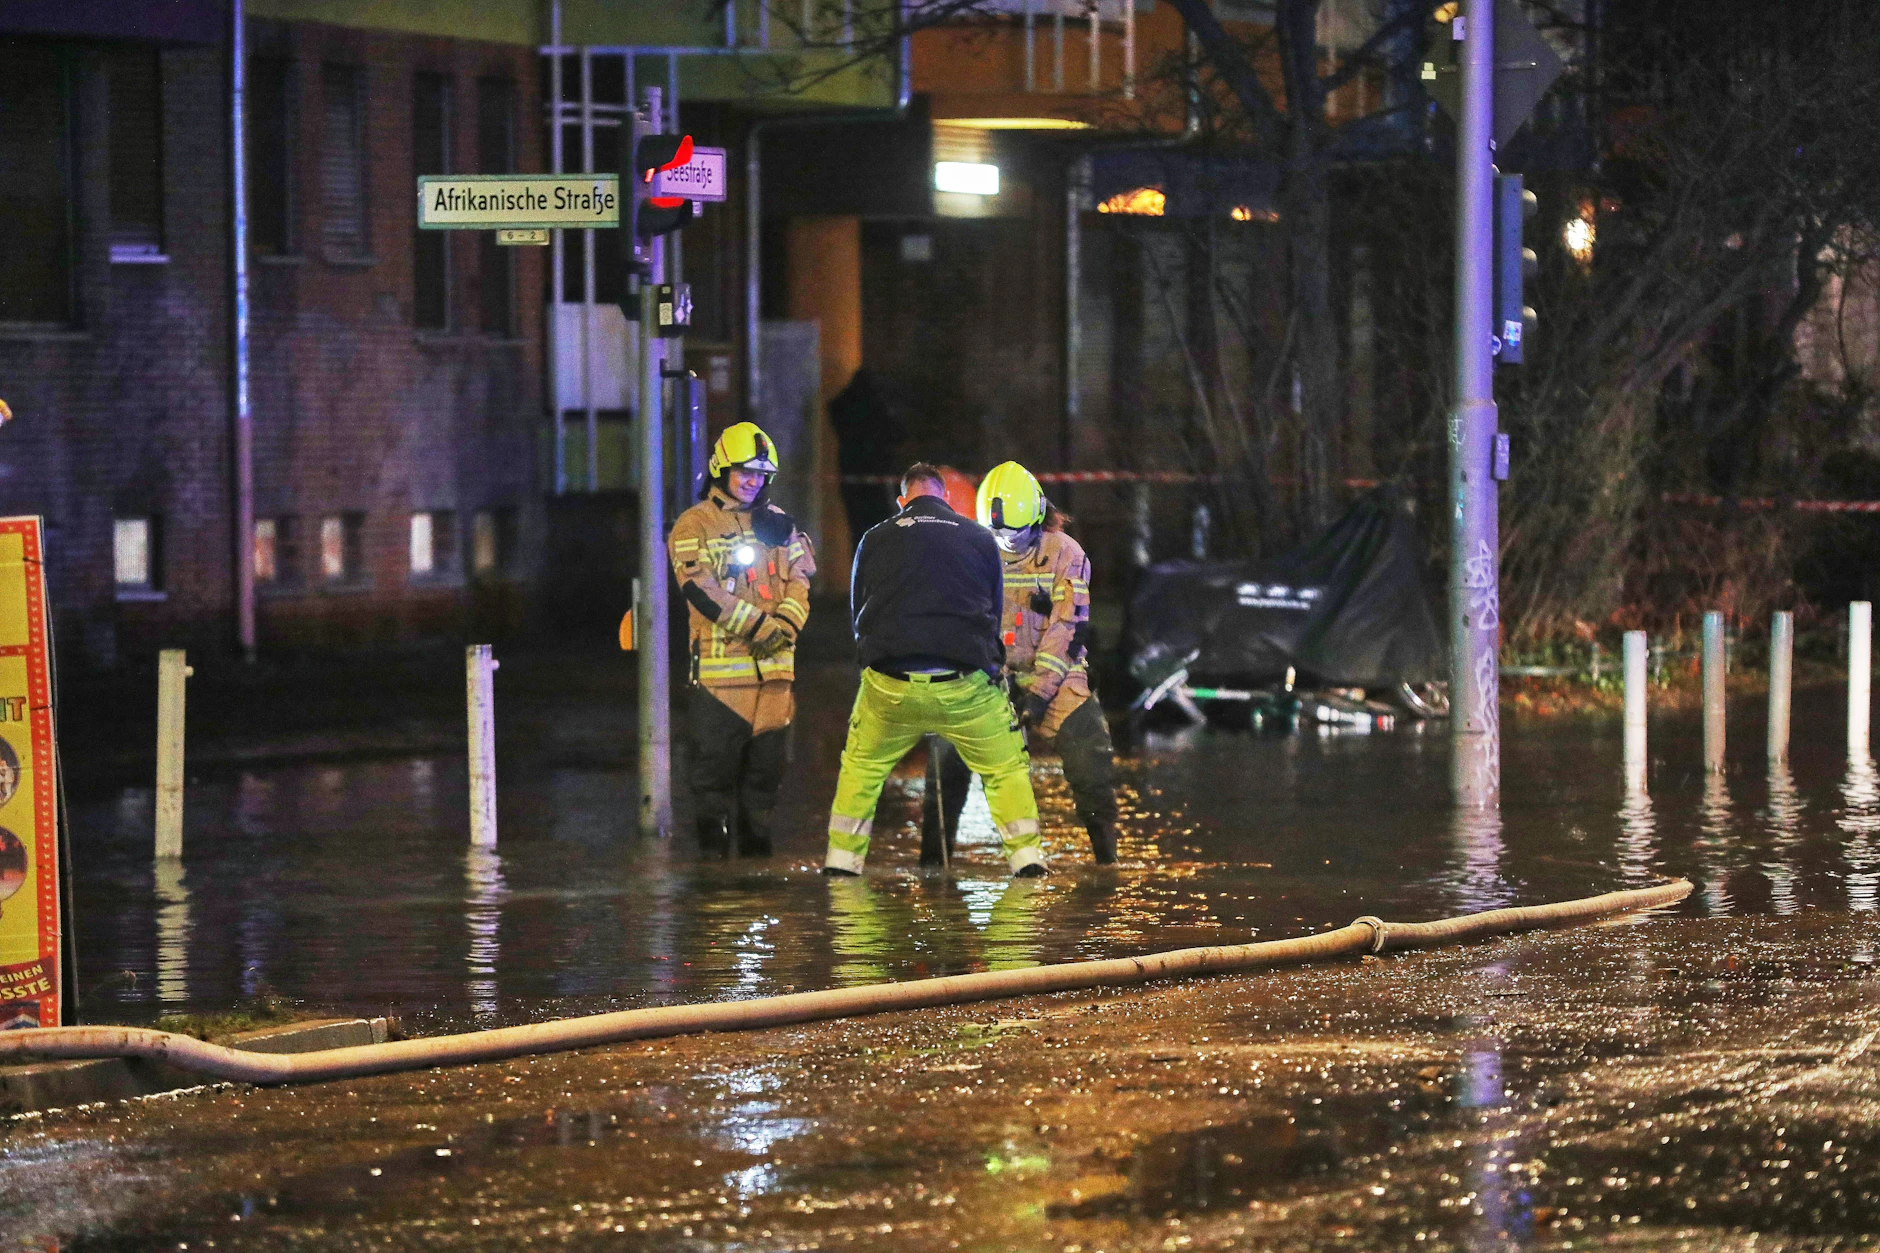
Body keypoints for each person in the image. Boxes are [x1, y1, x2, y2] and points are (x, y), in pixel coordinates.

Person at [823, 462, 1046, 878]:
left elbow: (859, 613)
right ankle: (1026, 859)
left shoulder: (874, 538)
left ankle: (842, 863)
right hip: (964, 688)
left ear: (901, 501)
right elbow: (992, 611)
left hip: (890, 686)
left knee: (862, 766)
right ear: (946, 498)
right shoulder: (979, 538)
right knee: (1004, 769)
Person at [667, 421, 815, 857]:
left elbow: (801, 578)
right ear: (720, 469)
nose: (753, 481)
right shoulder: (694, 524)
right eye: (744, 472)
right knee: (712, 781)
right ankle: (715, 893)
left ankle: (755, 886)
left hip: (775, 680)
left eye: (760, 474)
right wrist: (761, 628)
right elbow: (699, 589)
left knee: (766, 781)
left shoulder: (780, 524)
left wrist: (786, 625)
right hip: (719, 686)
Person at [969, 461, 1120, 863]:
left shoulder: (1066, 554)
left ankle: (1106, 861)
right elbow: (973, 623)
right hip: (993, 677)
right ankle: (936, 859)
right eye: (996, 533)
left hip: (1057, 675)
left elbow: (1066, 630)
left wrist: (1037, 694)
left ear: (1038, 519)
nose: (1005, 543)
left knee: (1091, 766)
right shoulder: (977, 550)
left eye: (1014, 534)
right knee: (946, 762)